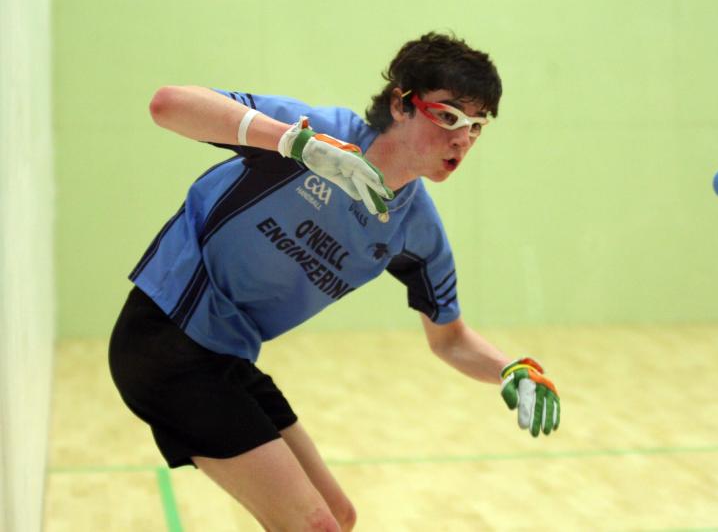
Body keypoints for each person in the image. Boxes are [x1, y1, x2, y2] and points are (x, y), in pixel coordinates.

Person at [109, 32, 560, 531]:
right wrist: (294, 144)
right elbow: (167, 105)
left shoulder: (416, 230)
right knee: (314, 526)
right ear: (401, 104)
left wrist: (510, 369)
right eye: (449, 116)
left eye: (476, 126)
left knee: (339, 517)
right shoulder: (317, 134)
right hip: (164, 338)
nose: (462, 138)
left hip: (227, 357)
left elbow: (449, 339)